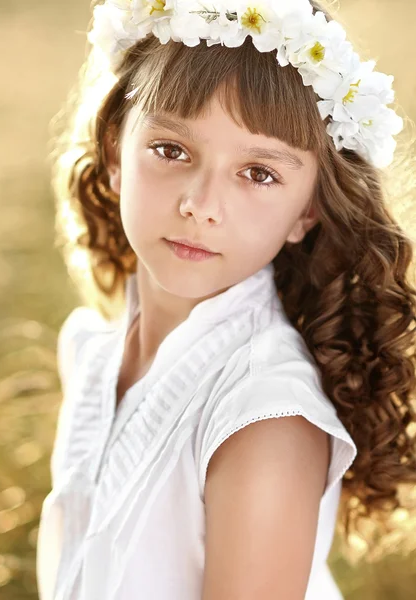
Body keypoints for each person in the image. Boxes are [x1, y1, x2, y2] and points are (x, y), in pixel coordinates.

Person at [36, 1, 416, 599]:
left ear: (308, 210)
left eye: (259, 173)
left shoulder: (264, 420)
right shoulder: (93, 348)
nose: (201, 204)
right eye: (171, 151)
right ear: (115, 153)